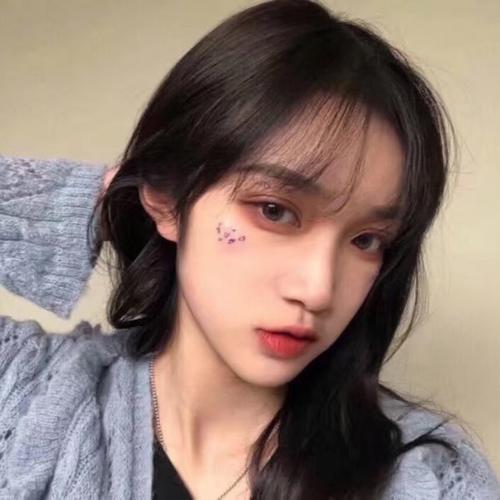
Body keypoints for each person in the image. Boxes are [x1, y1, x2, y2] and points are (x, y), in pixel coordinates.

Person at [0, 0, 499, 498]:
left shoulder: (430, 481)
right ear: (167, 198)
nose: (318, 290)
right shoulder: (25, 394)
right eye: (274, 210)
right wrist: (91, 199)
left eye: (366, 240)